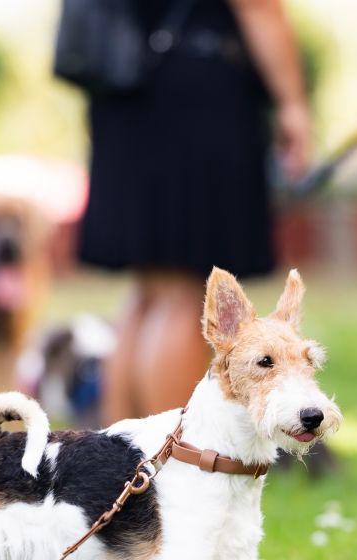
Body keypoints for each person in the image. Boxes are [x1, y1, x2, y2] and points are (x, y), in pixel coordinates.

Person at [78, 0, 311, 423]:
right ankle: (168, 458)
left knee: (150, 289)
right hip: (195, 91)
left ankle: (122, 456)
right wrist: (293, 102)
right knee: (184, 292)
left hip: (124, 85)